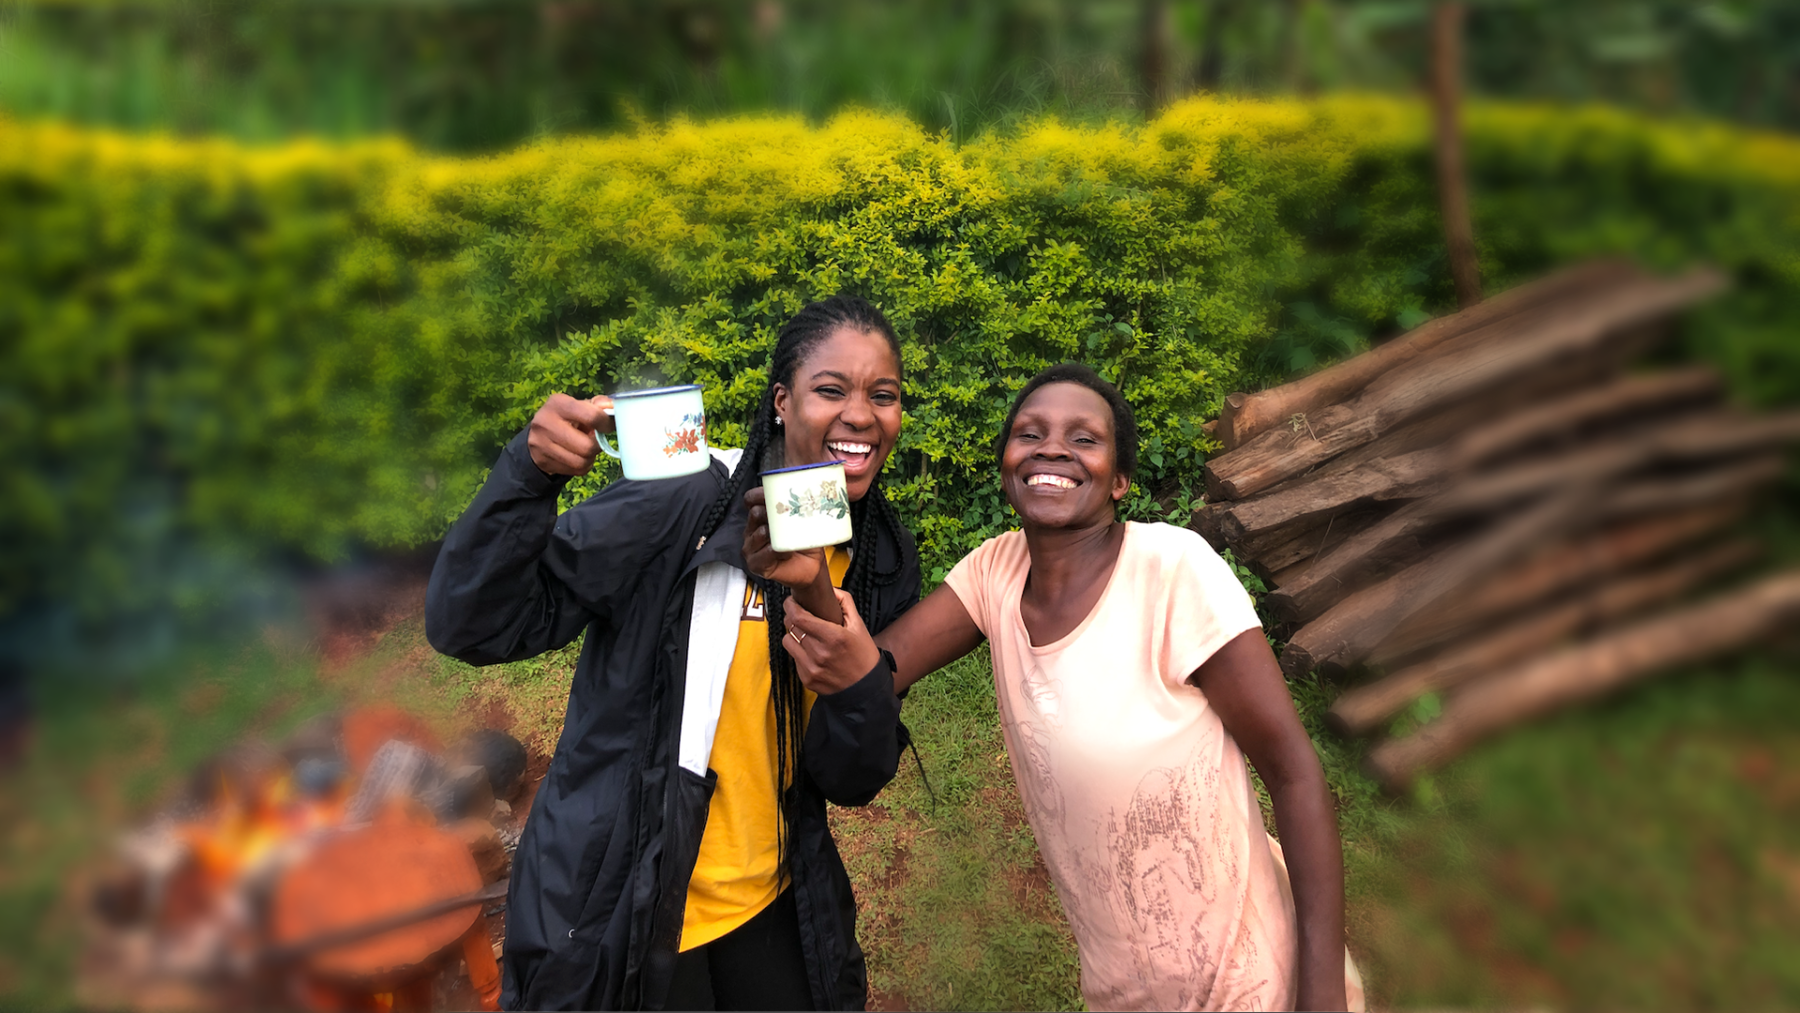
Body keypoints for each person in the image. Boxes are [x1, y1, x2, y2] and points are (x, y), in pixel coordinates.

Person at [759, 363, 1364, 1012]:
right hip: (1122, 992)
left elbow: (1296, 772)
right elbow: (867, 670)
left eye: (1085, 438)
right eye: (1030, 433)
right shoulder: (995, 571)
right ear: (1006, 465)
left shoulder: (1170, 570)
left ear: (1121, 479)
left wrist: (1321, 991)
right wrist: (809, 574)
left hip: (1255, 982)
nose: (1053, 447)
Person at [425, 294, 920, 1011]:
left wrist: (843, 654)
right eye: (831, 389)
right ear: (781, 401)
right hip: (623, 903)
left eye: (885, 395)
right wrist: (528, 475)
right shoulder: (686, 500)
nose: (863, 414)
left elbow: (851, 774)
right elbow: (474, 623)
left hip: (775, 899)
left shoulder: (876, 557)